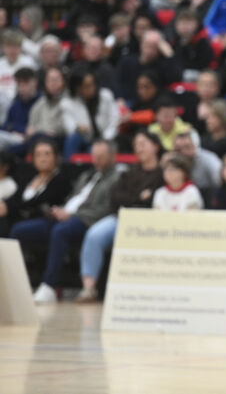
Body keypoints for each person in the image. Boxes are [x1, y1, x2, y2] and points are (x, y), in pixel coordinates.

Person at [10, 140, 118, 304]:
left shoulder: (116, 178)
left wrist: (73, 215)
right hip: (64, 215)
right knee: (19, 230)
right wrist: (58, 210)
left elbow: (106, 208)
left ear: (112, 156)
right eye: (94, 156)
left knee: (60, 231)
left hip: (85, 220)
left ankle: (50, 286)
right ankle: (15, 284)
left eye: (101, 156)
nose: (97, 160)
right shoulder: (87, 175)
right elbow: (71, 199)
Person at [76, 131, 163, 303]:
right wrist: (138, 198)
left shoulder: (162, 173)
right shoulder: (129, 172)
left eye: (143, 144)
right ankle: (88, 288)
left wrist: (133, 200)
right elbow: (115, 198)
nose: (139, 148)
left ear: (156, 146)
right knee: (94, 235)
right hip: (121, 218)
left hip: (149, 222)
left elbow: (153, 201)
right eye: (136, 145)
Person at [63, 70, 119, 160]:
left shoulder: (106, 96)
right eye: (87, 86)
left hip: (106, 139)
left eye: (93, 84)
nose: (92, 88)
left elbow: (115, 120)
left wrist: (105, 139)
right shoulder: (68, 102)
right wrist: (78, 128)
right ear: (78, 88)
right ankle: (68, 167)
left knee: (97, 151)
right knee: (73, 139)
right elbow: (69, 126)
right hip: (85, 140)